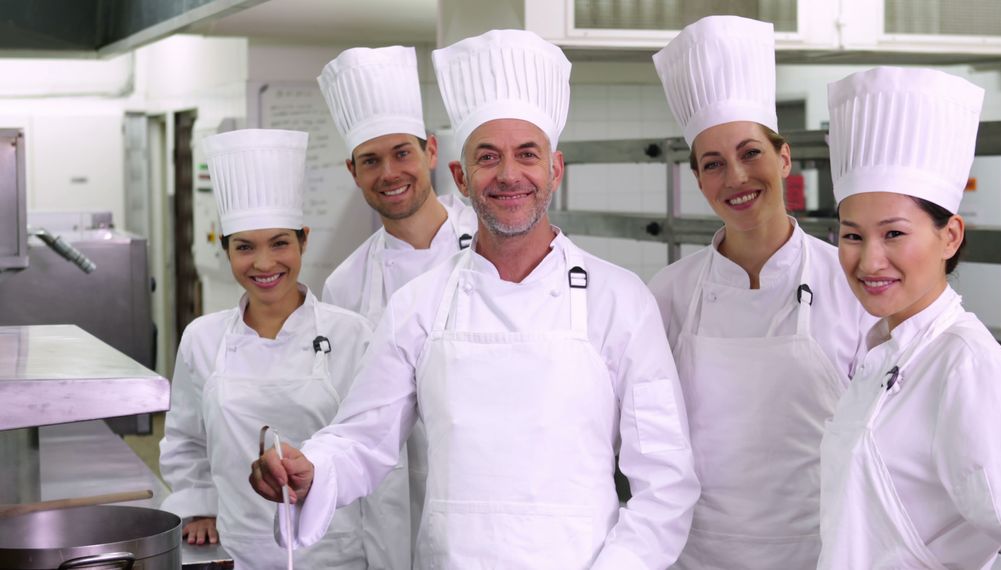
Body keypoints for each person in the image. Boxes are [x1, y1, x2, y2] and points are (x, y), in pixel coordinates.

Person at [250, 29, 700, 569]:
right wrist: (314, 467)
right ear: (461, 177)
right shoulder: (419, 305)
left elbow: (666, 479)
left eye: (527, 155)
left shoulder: (620, 299)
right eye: (488, 158)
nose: (509, 175)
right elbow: (362, 439)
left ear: (554, 170)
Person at [819, 66, 1001, 569]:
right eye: (852, 236)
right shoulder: (884, 351)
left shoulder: (963, 362)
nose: (869, 261)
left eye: (894, 234)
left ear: (951, 236)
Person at [648, 16, 869, 568]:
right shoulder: (668, 294)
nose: (736, 178)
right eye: (714, 164)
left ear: (784, 158)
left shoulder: (850, 283)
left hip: (820, 552)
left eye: (751, 153)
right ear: (699, 180)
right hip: (696, 554)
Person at [159, 129, 374, 569]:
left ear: (303, 241)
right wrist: (199, 504)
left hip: (336, 550)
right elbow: (185, 438)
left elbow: (370, 444)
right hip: (239, 547)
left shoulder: (352, 335)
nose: (263, 263)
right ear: (226, 249)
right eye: (244, 247)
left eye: (280, 242)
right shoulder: (202, 338)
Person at [317, 45, 477, 569]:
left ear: (431, 151)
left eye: (402, 153)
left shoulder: (489, 248)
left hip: (480, 488)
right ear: (353, 170)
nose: (389, 172)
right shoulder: (344, 285)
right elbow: (349, 417)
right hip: (388, 500)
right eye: (371, 160)